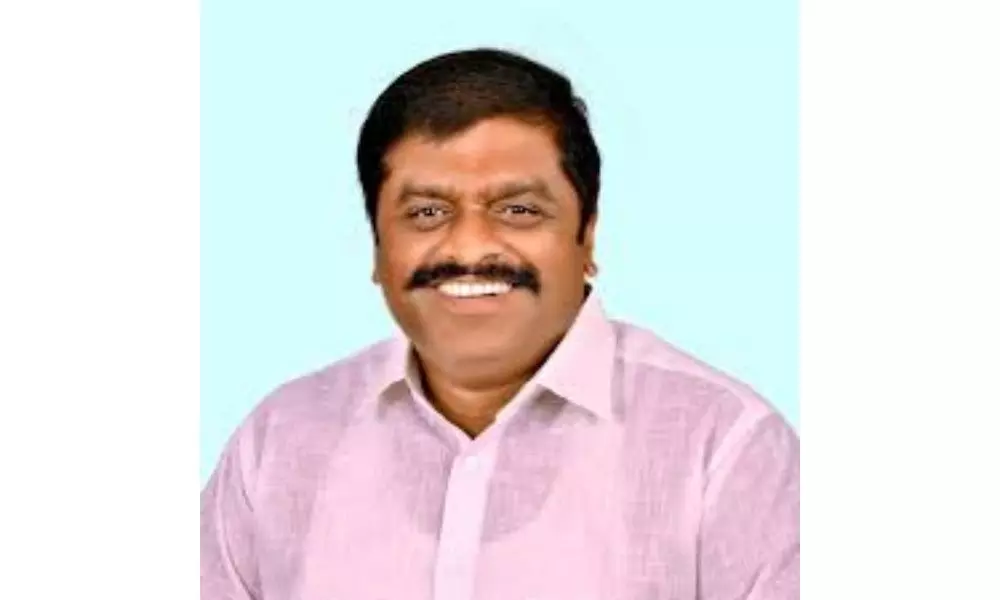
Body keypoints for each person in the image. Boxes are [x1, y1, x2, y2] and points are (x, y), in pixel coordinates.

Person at [201, 47, 799, 600]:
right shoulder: (278, 443)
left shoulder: (724, 448)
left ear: (587, 235)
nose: (470, 246)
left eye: (518, 210)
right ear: (378, 247)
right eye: (426, 212)